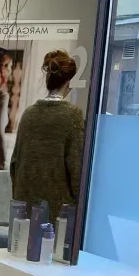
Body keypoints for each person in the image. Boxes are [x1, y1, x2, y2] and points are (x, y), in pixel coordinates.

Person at [11, 50, 83, 219]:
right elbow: (76, 168)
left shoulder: (29, 114)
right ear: (69, 83)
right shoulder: (73, 116)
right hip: (58, 213)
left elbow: (15, 164)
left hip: (25, 210)